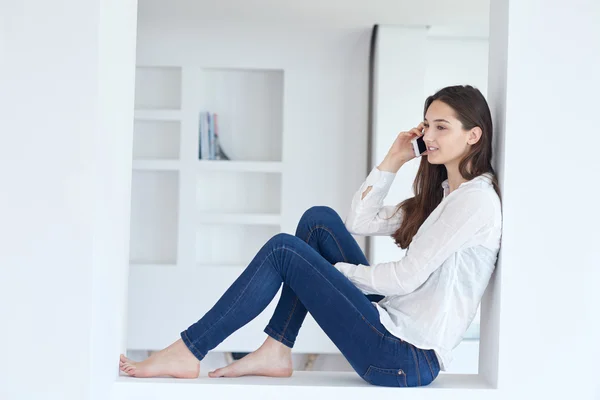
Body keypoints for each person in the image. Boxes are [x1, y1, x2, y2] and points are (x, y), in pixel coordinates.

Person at [119, 85, 502, 388]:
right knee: (318, 221)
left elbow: (404, 278)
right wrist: (393, 159)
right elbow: (359, 220)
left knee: (284, 251)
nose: (429, 136)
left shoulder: (475, 202)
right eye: (427, 125)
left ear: (473, 135)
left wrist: (330, 272)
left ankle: (189, 349)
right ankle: (277, 348)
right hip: (392, 330)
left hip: (405, 357)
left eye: (441, 127)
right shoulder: (446, 198)